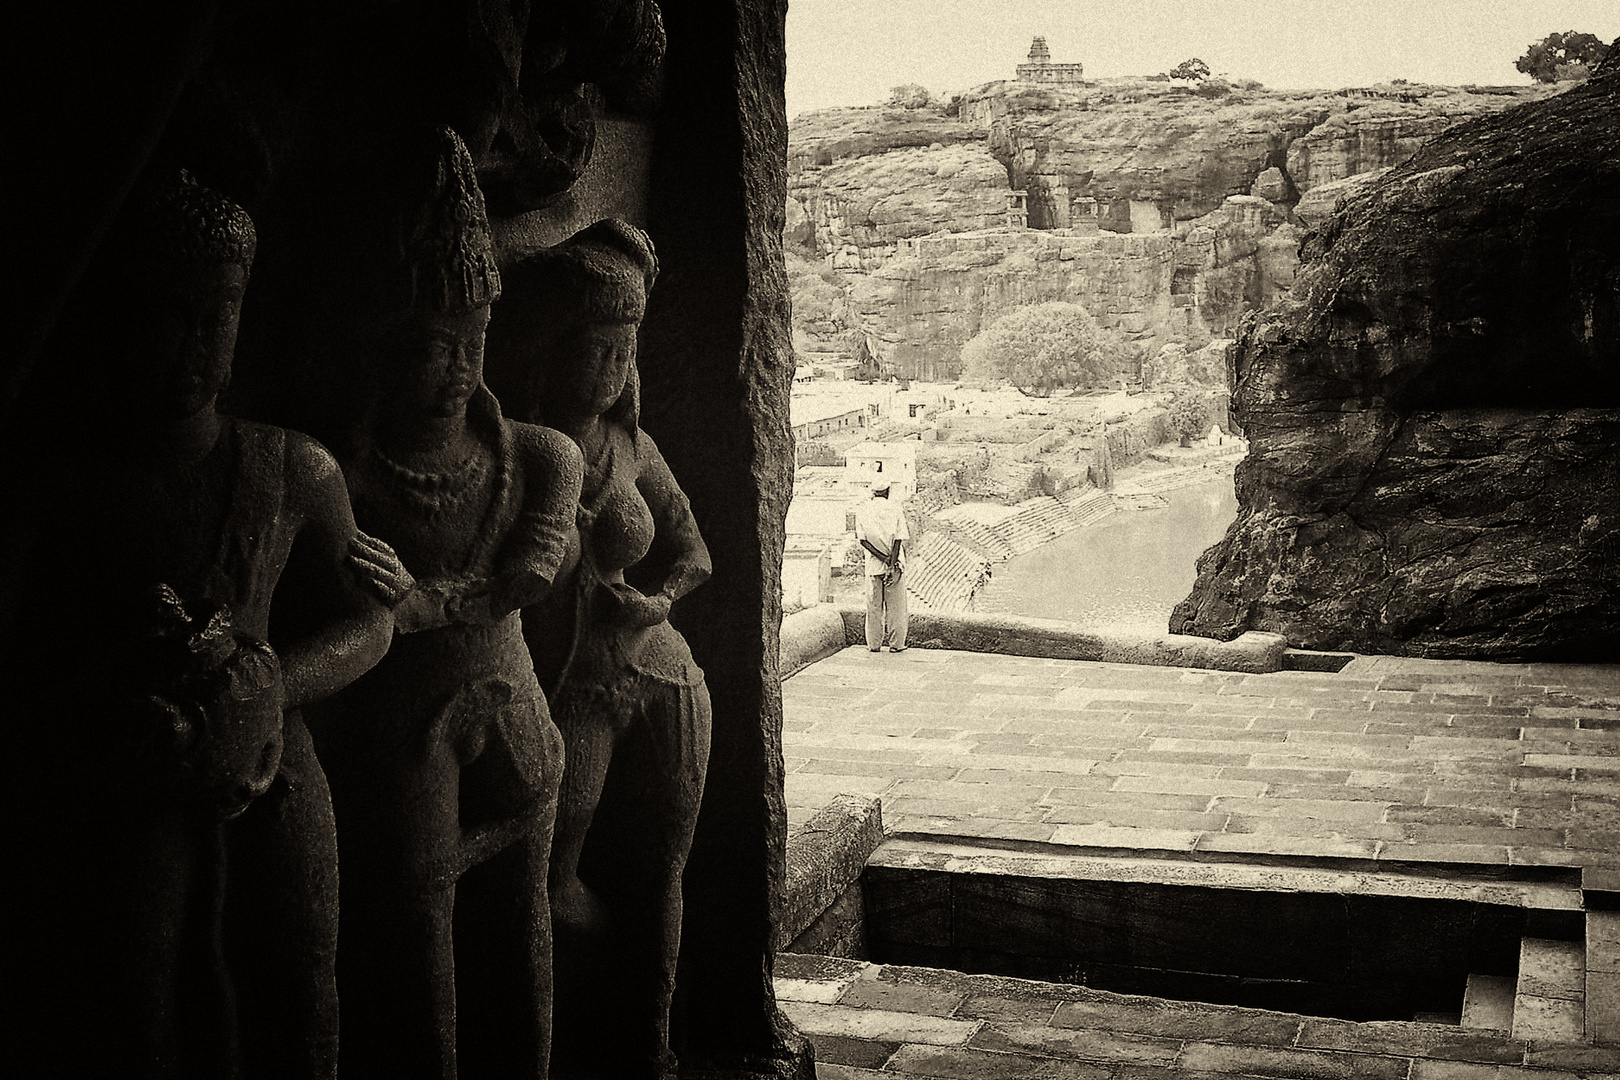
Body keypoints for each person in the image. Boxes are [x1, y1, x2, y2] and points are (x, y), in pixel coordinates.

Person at [2, 168, 394, 1078]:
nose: (189, 346)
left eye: (214, 318)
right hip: (130, 774)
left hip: (278, 763)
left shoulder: (293, 468)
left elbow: (369, 620)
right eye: (164, 316)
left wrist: (266, 688)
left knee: (301, 987)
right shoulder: (64, 485)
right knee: (137, 999)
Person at [311, 126, 583, 1079]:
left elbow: (532, 574)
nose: (460, 369)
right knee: (417, 925)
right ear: (380, 348)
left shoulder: (539, 457)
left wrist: (426, 602)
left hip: (511, 710)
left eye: (476, 341)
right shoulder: (341, 475)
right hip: (402, 732)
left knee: (521, 925)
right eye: (434, 346)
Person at [484, 218, 712, 1080]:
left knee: (665, 867)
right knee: (554, 875)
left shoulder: (632, 448)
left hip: (663, 668)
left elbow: (696, 553)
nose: (611, 368)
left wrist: (656, 597)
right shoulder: (519, 454)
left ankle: (650, 1038)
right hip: (574, 687)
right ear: (551, 348)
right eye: (594, 349)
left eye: (625, 350)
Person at [855, 478, 909, 652]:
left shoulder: (862, 510)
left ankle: (874, 645)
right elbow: (898, 538)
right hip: (895, 566)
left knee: (874, 608)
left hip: (873, 566)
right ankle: (897, 645)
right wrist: (891, 562)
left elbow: (863, 541)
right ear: (887, 491)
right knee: (896, 609)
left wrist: (881, 558)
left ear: (873, 492)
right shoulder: (895, 508)